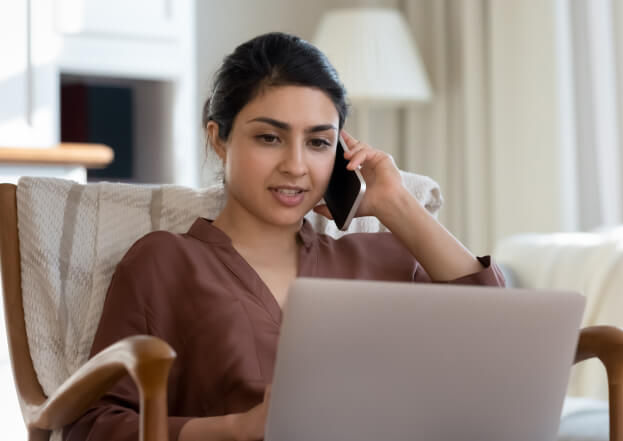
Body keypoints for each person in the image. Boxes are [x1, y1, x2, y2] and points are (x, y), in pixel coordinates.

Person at [63, 32, 504, 441]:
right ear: (219, 139)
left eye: (317, 143)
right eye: (270, 137)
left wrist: (397, 205)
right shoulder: (164, 262)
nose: (295, 166)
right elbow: (95, 426)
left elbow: (498, 340)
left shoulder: (383, 259)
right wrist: (237, 428)